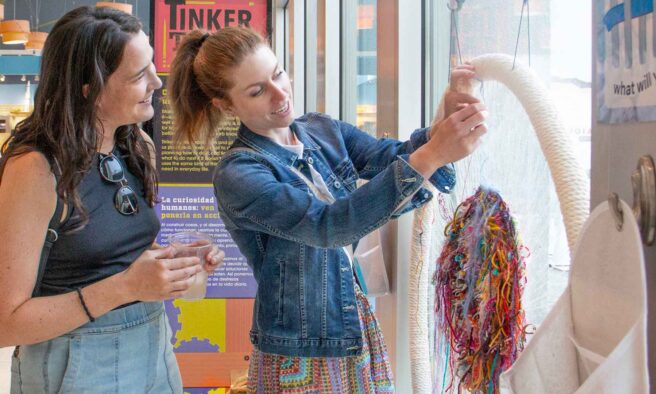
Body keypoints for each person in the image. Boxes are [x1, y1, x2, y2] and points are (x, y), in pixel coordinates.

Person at [169, 26, 487, 392]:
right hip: (299, 350)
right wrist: (434, 152)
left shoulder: (321, 130)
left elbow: (394, 160)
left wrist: (442, 127)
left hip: (353, 323)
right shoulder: (238, 173)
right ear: (225, 105)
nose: (280, 94)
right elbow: (328, 227)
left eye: (278, 74)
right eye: (257, 91)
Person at [0, 6, 224, 393]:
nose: (156, 82)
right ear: (90, 88)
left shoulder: (137, 145)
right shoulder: (35, 168)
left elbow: (112, 253)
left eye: (152, 66)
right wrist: (126, 287)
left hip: (155, 345)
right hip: (75, 362)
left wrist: (172, 263)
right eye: (139, 75)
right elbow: (6, 322)